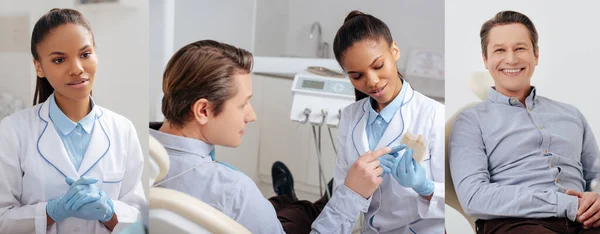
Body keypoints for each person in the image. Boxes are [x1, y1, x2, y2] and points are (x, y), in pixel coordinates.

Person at [450, 10, 600, 234]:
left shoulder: (572, 115)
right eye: (499, 50)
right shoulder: (470, 121)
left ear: (536, 55)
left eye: (520, 48)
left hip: (586, 221)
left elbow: (595, 175)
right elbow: (474, 196)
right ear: (485, 59)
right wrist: (564, 204)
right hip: (516, 224)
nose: (511, 59)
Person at [0, 8, 145, 234]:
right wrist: (52, 211)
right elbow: (2, 219)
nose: (77, 69)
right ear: (39, 67)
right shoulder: (11, 132)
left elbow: (139, 218)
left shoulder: (122, 129)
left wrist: (109, 211)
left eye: (85, 54)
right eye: (59, 59)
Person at [310, 10, 445, 234]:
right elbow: (344, 195)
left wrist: (426, 188)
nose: (372, 81)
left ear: (395, 51)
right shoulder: (350, 117)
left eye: (378, 65)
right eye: (357, 76)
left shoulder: (433, 115)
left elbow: (457, 203)